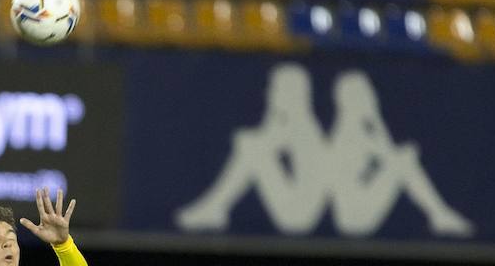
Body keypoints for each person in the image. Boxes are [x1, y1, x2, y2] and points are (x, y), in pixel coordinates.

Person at [174, 63, 329, 236]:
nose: (271, 93)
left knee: (253, 149)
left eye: (277, 88)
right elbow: (267, 136)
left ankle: (214, 207)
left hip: (299, 214)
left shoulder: (303, 125)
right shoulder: (287, 120)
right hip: (293, 207)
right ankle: (214, 207)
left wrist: (250, 140)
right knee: (253, 148)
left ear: (294, 93)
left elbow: (266, 141)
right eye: (273, 87)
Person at [326, 71, 471, 238]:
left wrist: (375, 119)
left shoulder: (366, 125)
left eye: (368, 92)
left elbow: (384, 151)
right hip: (354, 217)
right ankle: (439, 214)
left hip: (361, 207)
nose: (369, 97)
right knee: (403, 160)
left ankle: (439, 214)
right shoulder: (349, 131)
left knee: (402, 159)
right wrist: (399, 154)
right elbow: (385, 156)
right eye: (363, 93)